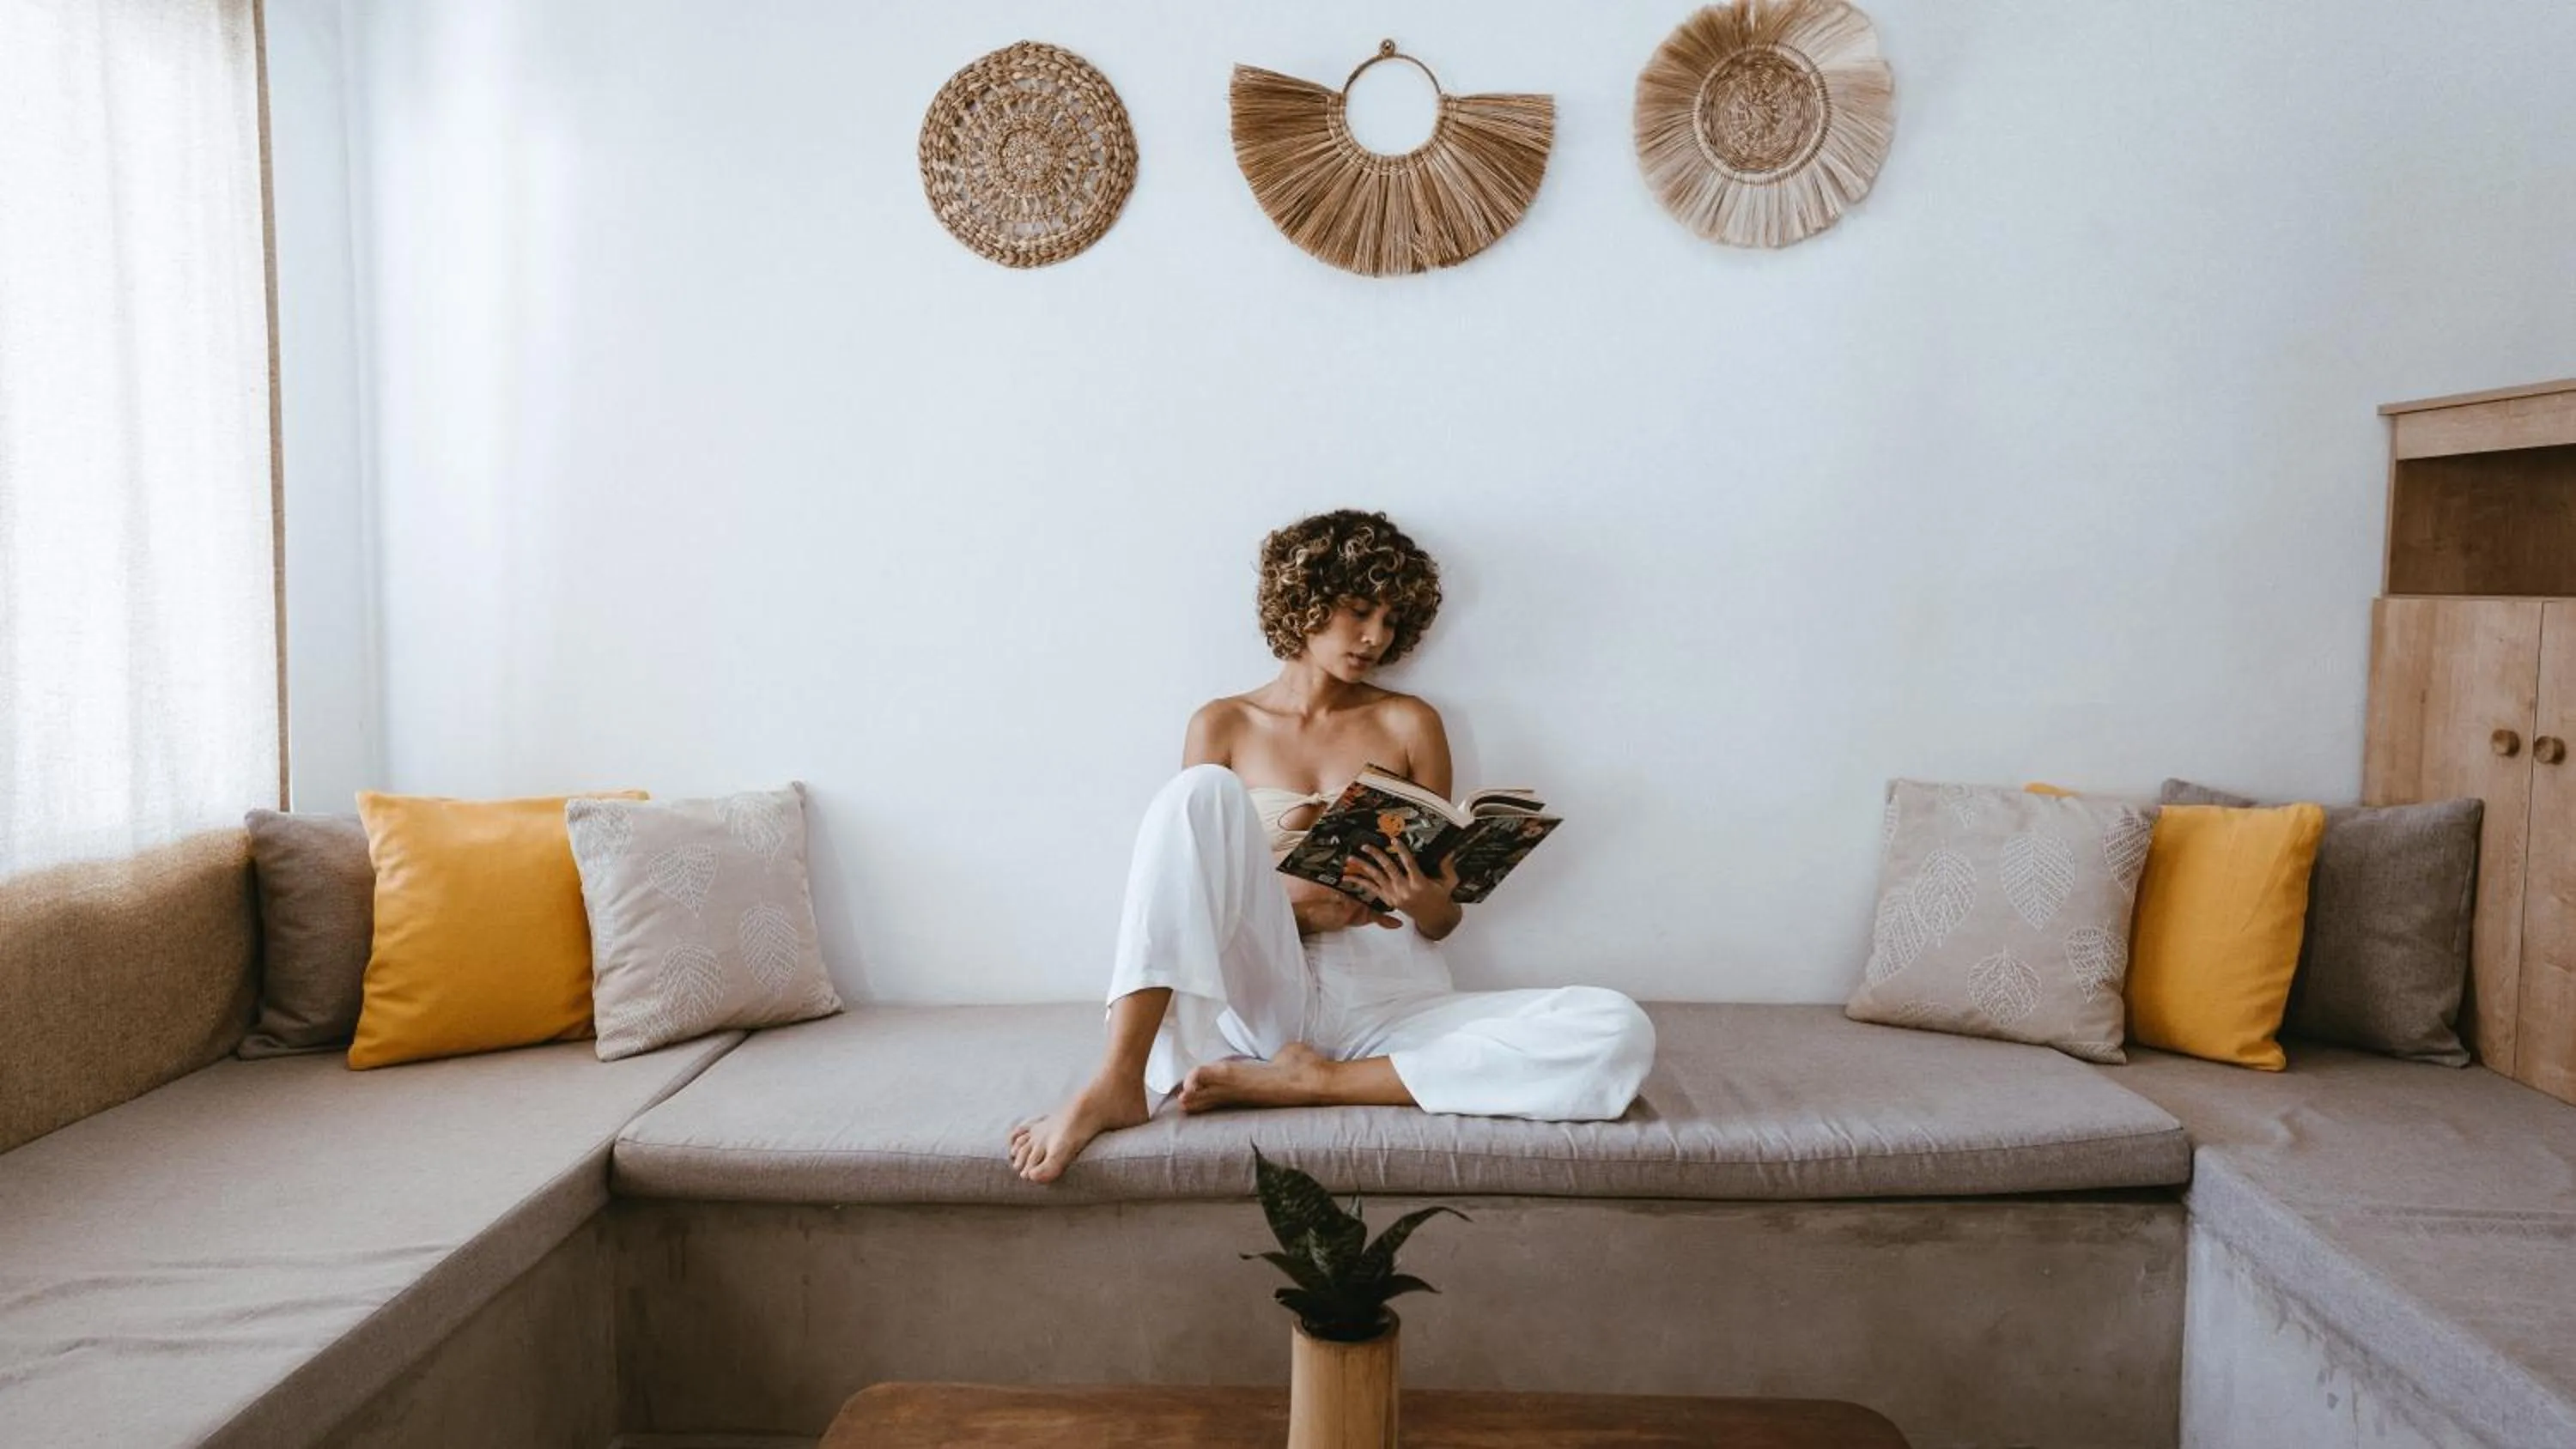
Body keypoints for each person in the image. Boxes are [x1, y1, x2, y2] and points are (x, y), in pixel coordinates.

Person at [1008, 509, 1656, 1185]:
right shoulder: (1223, 722)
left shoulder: (1410, 722)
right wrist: (1300, 909)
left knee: (1616, 1028)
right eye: (1358, 611)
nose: (1376, 636)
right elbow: (1188, 891)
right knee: (1196, 793)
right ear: (1306, 601)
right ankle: (1117, 1078)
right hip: (1267, 989)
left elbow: (1439, 924)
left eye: (1391, 620)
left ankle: (1321, 1082)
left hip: (1391, 1000)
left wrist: (1425, 902)